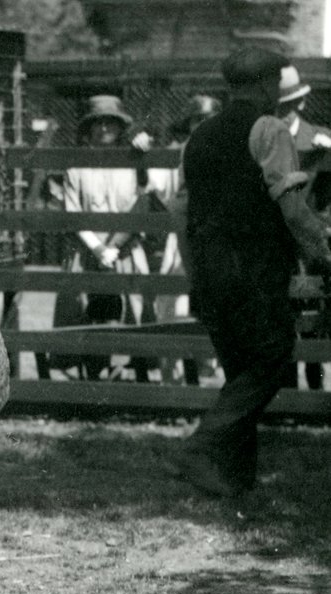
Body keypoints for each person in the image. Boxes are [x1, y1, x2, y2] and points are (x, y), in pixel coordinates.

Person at [173, 48, 331, 497]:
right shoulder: (270, 129)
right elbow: (293, 207)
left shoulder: (198, 136)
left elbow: (180, 212)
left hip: (208, 270)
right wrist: (320, 252)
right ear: (266, 86)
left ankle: (235, 480)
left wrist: (194, 274)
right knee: (271, 358)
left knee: (239, 370)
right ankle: (200, 448)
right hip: (255, 271)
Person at [49, 94, 152, 381]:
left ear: (120, 127)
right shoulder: (76, 166)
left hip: (124, 248)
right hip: (87, 250)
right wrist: (97, 248)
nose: (104, 128)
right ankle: (92, 378)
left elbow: (142, 202)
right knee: (81, 309)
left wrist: (115, 247)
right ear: (88, 128)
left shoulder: (132, 159)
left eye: (111, 122)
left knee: (136, 308)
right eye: (97, 123)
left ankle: (138, 377)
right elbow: (73, 211)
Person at [148, 94, 221, 385]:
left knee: (216, 302)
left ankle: (209, 372)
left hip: (217, 236)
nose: (202, 125)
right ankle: (172, 376)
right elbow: (158, 189)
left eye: (208, 119)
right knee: (173, 301)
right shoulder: (176, 153)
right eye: (196, 119)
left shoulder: (229, 150)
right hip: (182, 235)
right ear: (188, 124)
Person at [276, 64, 331, 390]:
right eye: (274, 107)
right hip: (274, 245)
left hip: (309, 245)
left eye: (286, 106)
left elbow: (327, 198)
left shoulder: (320, 140)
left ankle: (314, 388)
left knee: (311, 317)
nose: (280, 114)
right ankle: (286, 394)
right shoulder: (261, 140)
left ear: (299, 104)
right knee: (280, 319)